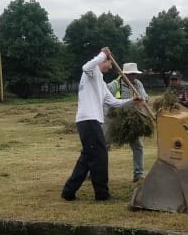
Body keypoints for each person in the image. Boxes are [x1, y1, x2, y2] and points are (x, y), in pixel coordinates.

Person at [62, 47, 139, 201]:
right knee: (100, 156)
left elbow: (113, 102)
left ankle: (68, 192)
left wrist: (132, 101)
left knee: (87, 157)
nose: (111, 67)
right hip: (88, 120)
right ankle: (102, 194)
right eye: (109, 64)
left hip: (92, 120)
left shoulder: (101, 82)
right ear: (102, 61)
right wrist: (104, 54)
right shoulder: (91, 73)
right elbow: (86, 66)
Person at [106, 63, 148, 182]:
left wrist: (143, 101)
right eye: (130, 74)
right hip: (114, 119)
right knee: (103, 146)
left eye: (134, 74)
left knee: (138, 146)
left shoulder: (138, 84)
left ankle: (138, 174)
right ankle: (91, 171)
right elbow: (105, 101)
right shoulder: (113, 85)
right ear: (123, 74)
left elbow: (144, 97)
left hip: (131, 120)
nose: (132, 76)